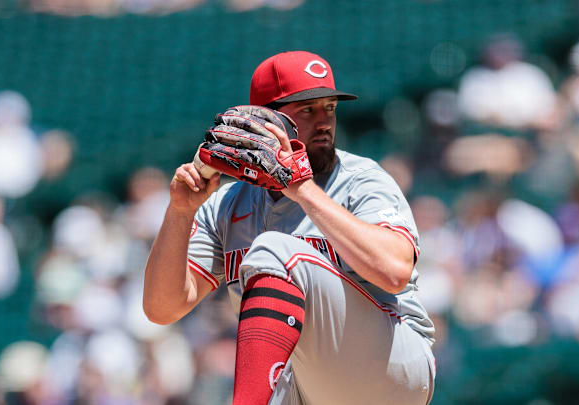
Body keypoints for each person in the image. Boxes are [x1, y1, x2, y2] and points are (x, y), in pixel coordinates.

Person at [143, 51, 435, 405]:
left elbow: (395, 272)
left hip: (390, 363)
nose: (325, 121)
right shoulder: (226, 205)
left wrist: (302, 188)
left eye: (330, 108)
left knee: (273, 249)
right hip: (305, 385)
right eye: (308, 110)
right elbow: (162, 309)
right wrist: (179, 212)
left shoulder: (362, 179)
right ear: (265, 121)